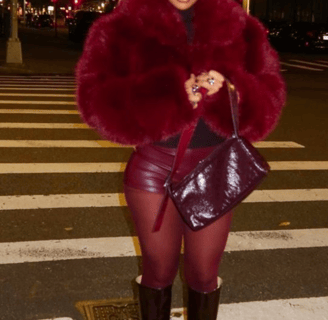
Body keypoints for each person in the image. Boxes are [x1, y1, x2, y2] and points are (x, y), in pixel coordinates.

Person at [75, 0, 286, 319]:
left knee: (203, 273)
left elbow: (271, 95)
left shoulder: (239, 26)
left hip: (212, 168)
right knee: (158, 270)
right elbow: (94, 101)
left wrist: (233, 91)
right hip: (153, 167)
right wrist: (167, 93)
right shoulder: (121, 26)